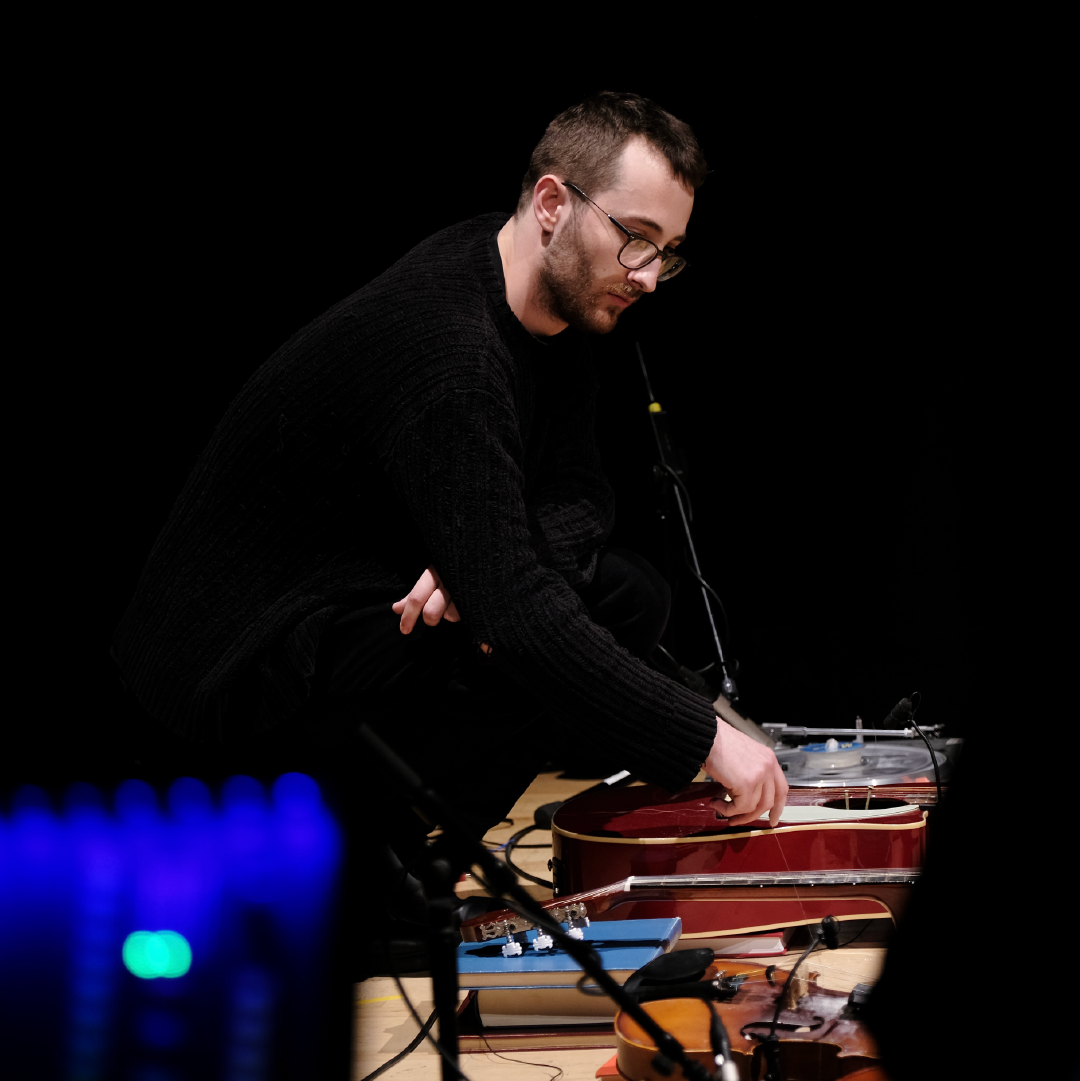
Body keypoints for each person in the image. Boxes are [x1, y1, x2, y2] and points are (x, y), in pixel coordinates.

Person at [112, 92, 787, 880]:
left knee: (627, 590)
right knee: (530, 626)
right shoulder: (449, 350)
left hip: (349, 615)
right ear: (550, 202)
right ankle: (364, 879)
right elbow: (522, 618)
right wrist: (702, 734)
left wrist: (485, 554)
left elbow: (582, 499)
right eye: (635, 239)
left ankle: (411, 872)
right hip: (233, 681)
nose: (647, 277)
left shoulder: (548, 308)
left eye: (667, 251)